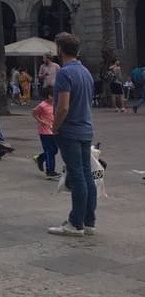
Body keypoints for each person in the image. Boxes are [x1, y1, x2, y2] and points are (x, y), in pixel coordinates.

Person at [48, 32, 97, 237]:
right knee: (86, 175)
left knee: (77, 176)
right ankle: (89, 221)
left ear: (59, 49)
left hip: (70, 130)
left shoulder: (65, 73)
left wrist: (55, 126)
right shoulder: (85, 72)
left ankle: (75, 223)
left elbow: (63, 106)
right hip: (86, 128)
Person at [32, 86, 59, 180]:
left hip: (54, 130)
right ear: (49, 96)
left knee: (54, 150)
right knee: (49, 150)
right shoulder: (42, 105)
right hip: (44, 131)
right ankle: (50, 171)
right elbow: (34, 113)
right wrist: (41, 121)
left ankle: (40, 158)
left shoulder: (56, 104)